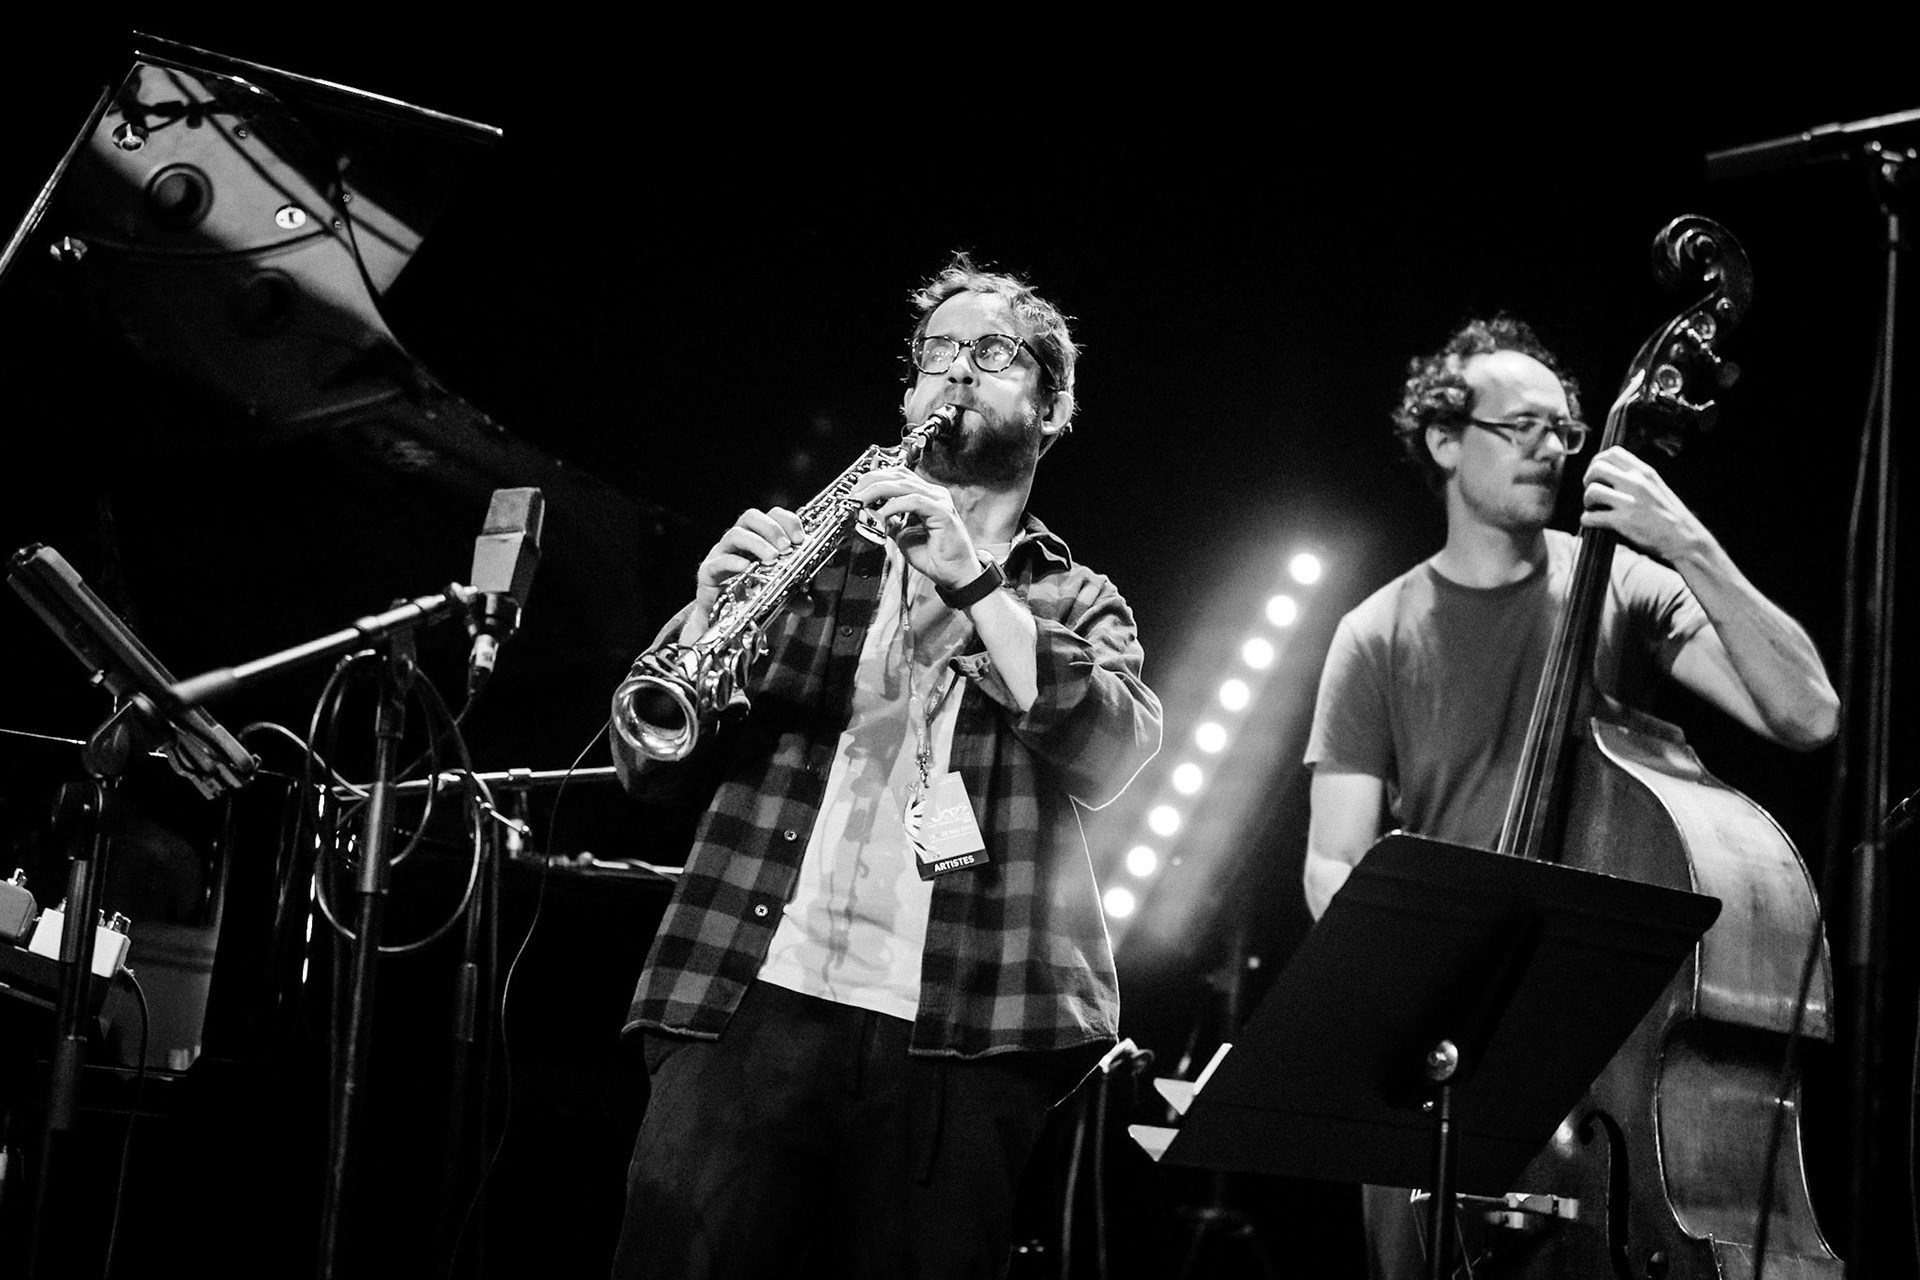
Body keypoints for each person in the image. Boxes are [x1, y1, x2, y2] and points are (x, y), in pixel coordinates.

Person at [607, 254, 1162, 1279]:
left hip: (967, 1032)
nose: (953, 373)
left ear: (1052, 407)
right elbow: (649, 764)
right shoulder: (817, 565)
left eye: (989, 353)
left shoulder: (1074, 594)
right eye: (933, 355)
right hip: (750, 992)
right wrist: (707, 615)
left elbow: (1114, 744)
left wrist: (967, 578)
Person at [1301, 316, 1839, 1279]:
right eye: (1524, 427)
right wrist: (1412, 985)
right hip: (1450, 1036)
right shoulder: (1375, 632)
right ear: (1445, 440)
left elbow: (1806, 713)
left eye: (1565, 428)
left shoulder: (1624, 584)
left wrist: (1684, 540)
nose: (1554, 448)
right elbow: (1332, 859)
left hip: (1604, 1046)